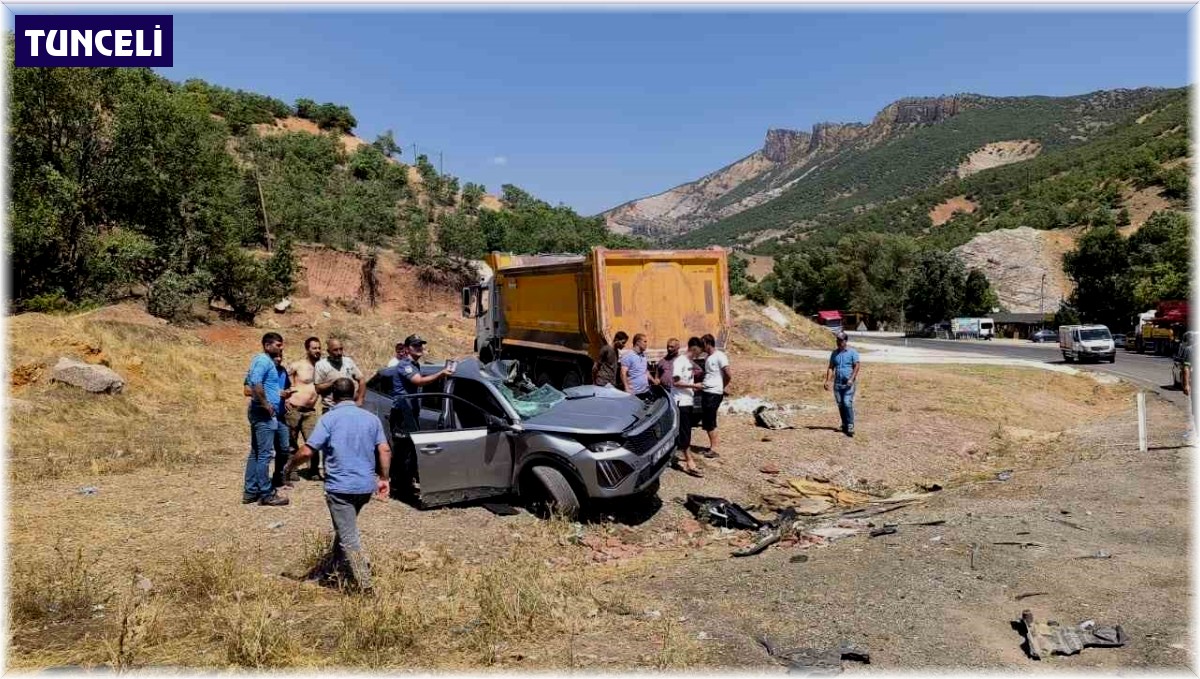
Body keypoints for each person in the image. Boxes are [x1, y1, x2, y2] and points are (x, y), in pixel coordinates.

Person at [282, 378, 391, 593]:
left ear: (331, 396)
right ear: (353, 394)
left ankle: (365, 587)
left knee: (349, 537)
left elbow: (307, 451)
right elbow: (385, 450)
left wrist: (289, 466)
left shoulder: (329, 419)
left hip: (340, 488)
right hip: (364, 487)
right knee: (344, 529)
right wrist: (384, 478)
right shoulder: (371, 418)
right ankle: (331, 572)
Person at [379, 335, 456, 497]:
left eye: (421, 344)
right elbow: (418, 381)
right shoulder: (404, 365)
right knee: (402, 449)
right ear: (407, 349)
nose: (419, 347)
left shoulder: (415, 365)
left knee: (410, 449)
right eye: (415, 345)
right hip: (402, 412)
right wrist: (441, 374)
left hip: (411, 412)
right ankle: (398, 487)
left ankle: (405, 483)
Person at [243, 332, 291, 506]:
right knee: (264, 454)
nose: (281, 348)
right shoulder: (263, 361)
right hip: (263, 414)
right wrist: (265, 404)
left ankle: (250, 491)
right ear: (267, 345)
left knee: (256, 452)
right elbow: (254, 382)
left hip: (260, 412)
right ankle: (266, 493)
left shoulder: (263, 361)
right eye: (278, 345)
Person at [313, 338, 367, 477]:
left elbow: (361, 379)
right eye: (335, 350)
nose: (339, 353)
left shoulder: (348, 362)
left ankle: (348, 468)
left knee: (349, 438)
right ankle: (326, 469)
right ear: (328, 351)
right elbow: (318, 388)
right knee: (329, 440)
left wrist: (360, 399)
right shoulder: (321, 365)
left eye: (340, 349)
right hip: (330, 408)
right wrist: (333, 383)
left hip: (349, 407)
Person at [286, 337, 323, 482]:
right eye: (314, 348)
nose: (317, 351)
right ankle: (292, 469)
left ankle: (313, 471)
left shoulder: (322, 367)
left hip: (310, 411)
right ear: (307, 349)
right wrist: (286, 396)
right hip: (294, 408)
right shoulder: (298, 365)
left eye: (319, 348)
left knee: (314, 441)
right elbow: (282, 375)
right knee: (291, 441)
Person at [667, 338, 704, 477]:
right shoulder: (680, 361)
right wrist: (695, 386)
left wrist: (692, 387)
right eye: (700, 351)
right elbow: (676, 382)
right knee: (684, 431)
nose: (700, 354)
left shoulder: (688, 363)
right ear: (694, 348)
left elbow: (685, 380)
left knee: (684, 430)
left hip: (687, 400)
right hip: (680, 402)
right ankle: (689, 462)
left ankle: (674, 457)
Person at [698, 333, 731, 458]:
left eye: (702, 344)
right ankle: (712, 446)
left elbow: (728, 374)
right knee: (707, 420)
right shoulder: (708, 357)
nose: (701, 346)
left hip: (714, 392)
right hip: (708, 391)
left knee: (710, 420)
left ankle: (714, 448)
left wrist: (722, 386)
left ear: (707, 343)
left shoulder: (719, 356)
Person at [824, 331, 861, 437]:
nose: (838, 342)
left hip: (848, 383)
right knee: (840, 404)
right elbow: (831, 367)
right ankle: (844, 423)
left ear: (845, 341)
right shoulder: (834, 353)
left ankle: (850, 425)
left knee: (847, 403)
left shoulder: (853, 352)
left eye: (840, 340)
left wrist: (851, 379)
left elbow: (857, 366)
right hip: (838, 384)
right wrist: (827, 380)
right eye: (837, 340)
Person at [620, 333, 653, 400]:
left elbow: (645, 371)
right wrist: (627, 388)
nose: (646, 344)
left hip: (645, 391)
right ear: (638, 342)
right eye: (645, 342)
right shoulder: (628, 356)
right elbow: (623, 373)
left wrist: (653, 380)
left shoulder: (643, 356)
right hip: (634, 393)